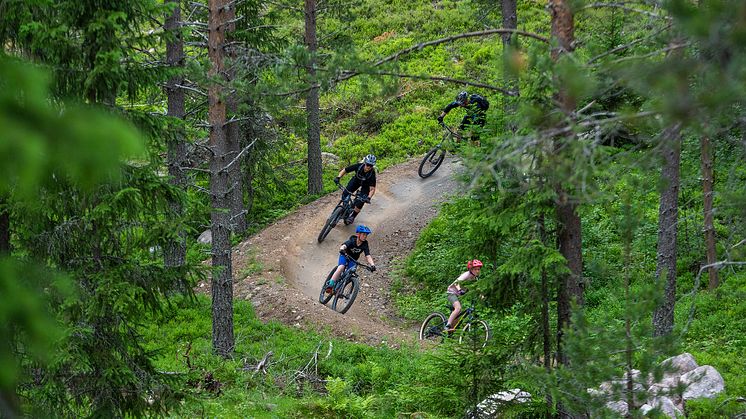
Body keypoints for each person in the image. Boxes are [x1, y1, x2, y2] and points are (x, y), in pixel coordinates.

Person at [327, 225, 377, 292]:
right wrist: (342, 249)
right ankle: (331, 284)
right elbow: (344, 245)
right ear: (358, 234)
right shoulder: (352, 240)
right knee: (341, 267)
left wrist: (372, 265)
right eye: (364, 234)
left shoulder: (365, 244)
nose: (365, 236)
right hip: (345, 255)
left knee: (350, 274)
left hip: (353, 260)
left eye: (366, 235)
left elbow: (367, 255)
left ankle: (340, 290)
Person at [334, 154, 377, 225]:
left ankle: (353, 216)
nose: (368, 167)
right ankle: (344, 207)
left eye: (371, 166)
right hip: (356, 181)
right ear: (365, 163)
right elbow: (345, 170)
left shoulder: (372, 174)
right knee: (345, 193)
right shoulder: (359, 166)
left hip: (366, 186)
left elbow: (372, 189)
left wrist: (368, 198)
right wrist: (338, 177)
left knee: (360, 202)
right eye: (367, 164)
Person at [445, 259, 483, 332]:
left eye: (478, 269)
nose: (477, 271)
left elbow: (477, 289)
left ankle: (450, 331)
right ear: (471, 269)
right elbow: (457, 283)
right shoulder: (466, 275)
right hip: (451, 292)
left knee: (458, 313)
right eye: (475, 269)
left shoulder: (475, 278)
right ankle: (447, 325)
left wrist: (482, 297)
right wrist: (459, 290)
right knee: (458, 308)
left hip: (459, 295)